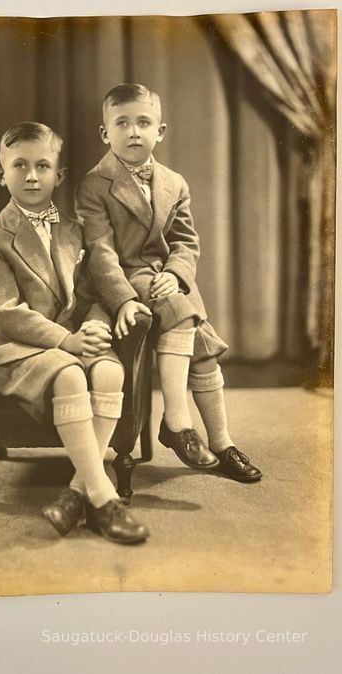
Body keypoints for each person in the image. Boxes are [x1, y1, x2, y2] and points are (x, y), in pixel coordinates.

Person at [75, 83, 262, 483]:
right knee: (181, 310)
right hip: (120, 281)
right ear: (105, 133)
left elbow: (185, 241)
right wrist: (125, 298)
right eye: (122, 123)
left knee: (205, 348)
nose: (134, 132)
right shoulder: (94, 184)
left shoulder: (174, 182)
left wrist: (175, 275)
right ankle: (176, 421)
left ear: (161, 131)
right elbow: (100, 253)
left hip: (164, 281)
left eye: (144, 122)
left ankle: (222, 441)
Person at [0, 121, 148, 544]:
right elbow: (6, 312)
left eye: (43, 166)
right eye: (20, 166)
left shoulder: (74, 229)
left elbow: (92, 294)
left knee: (110, 373)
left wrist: (93, 324)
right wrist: (67, 341)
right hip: (16, 344)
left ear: (59, 175)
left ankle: (76, 493)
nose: (32, 176)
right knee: (70, 374)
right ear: (2, 175)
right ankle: (104, 499)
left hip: (70, 335)